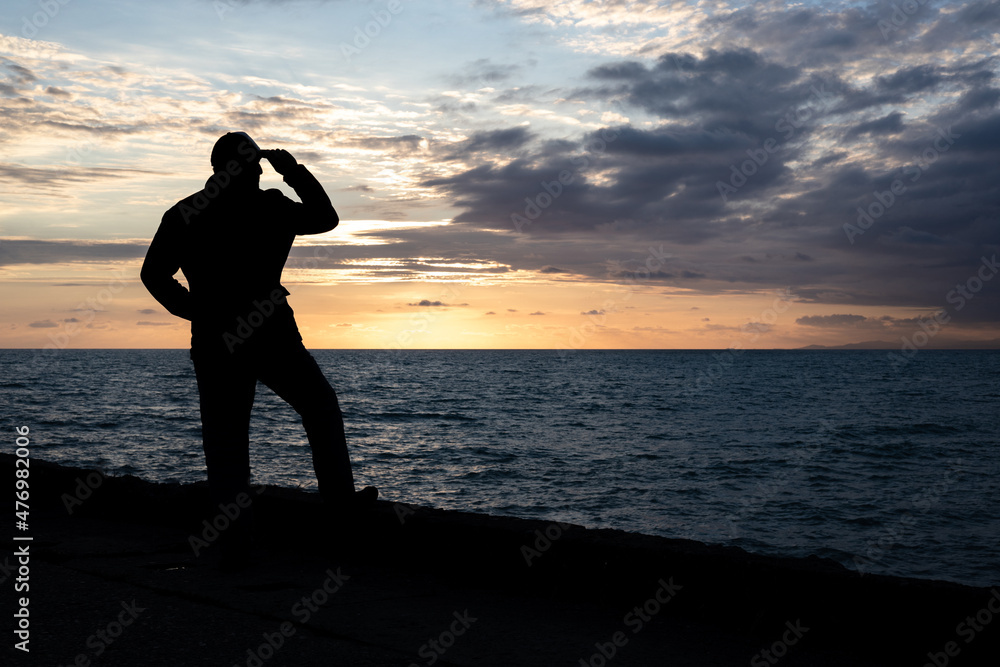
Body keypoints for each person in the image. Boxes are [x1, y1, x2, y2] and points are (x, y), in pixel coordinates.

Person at [141, 132, 376, 564]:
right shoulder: (269, 205)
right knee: (319, 408)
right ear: (244, 168)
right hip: (270, 331)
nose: (260, 171)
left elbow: (153, 274)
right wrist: (294, 171)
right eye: (256, 166)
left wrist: (197, 312)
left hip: (217, 338)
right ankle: (341, 512)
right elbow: (326, 217)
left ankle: (235, 540)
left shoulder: (185, 212)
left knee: (226, 438)